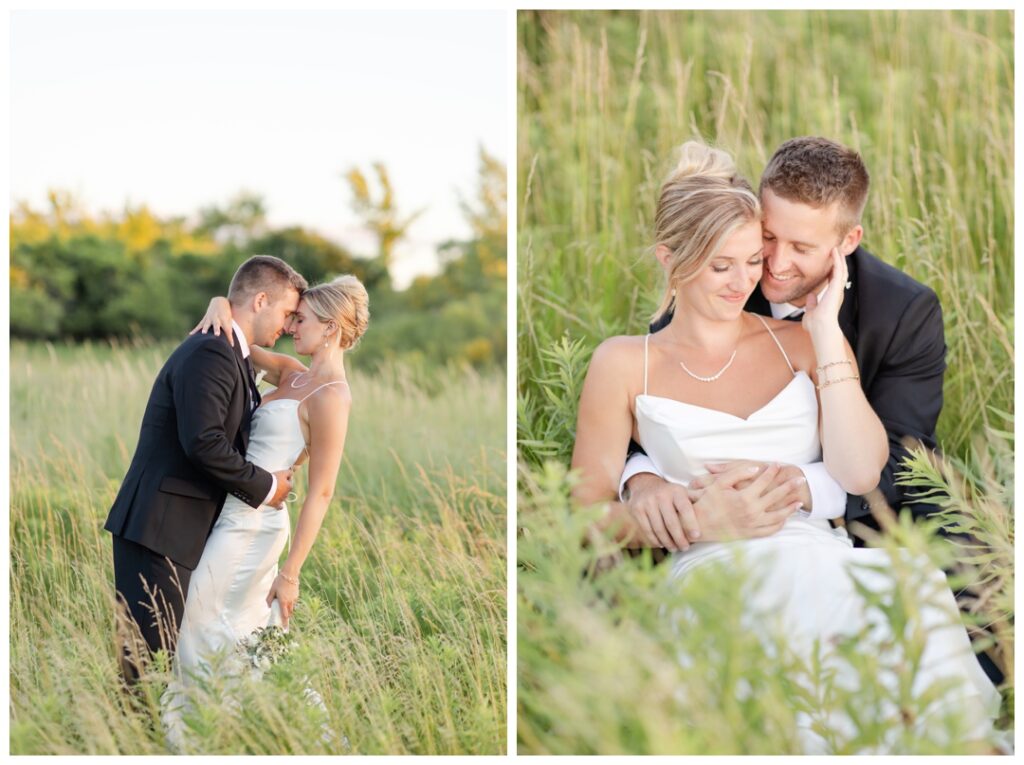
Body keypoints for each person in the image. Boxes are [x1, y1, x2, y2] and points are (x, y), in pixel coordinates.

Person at [571, 141, 999, 751]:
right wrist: (658, 493)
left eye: (790, 251)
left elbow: (881, 465)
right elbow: (615, 471)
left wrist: (823, 335)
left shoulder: (873, 319)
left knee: (906, 600)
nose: (761, 272)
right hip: (714, 569)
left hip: (834, 540)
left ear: (845, 242)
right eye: (755, 247)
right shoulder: (631, 354)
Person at [620, 136, 947, 551]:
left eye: (802, 248)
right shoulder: (718, 281)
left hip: (859, 531)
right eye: (769, 237)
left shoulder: (903, 311)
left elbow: (904, 459)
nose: (773, 265)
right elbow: (655, 409)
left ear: (847, 241)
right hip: (710, 544)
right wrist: (642, 482)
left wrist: (793, 487)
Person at [161, 274, 369, 748]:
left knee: (197, 615)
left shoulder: (333, 396)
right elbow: (239, 338)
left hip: (255, 527)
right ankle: (251, 728)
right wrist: (218, 301)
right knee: (233, 626)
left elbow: (321, 493)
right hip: (230, 513)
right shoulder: (293, 372)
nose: (293, 326)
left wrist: (291, 573)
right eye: (293, 317)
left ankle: (199, 736)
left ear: (332, 328)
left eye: (303, 319)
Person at [104, 255, 304, 684]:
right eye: (287, 313)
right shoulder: (212, 350)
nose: (289, 326)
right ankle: (126, 745)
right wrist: (268, 487)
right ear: (261, 300)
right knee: (146, 658)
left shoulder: (232, 349)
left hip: (181, 528)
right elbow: (204, 442)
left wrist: (221, 302)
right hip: (159, 527)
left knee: (165, 655)